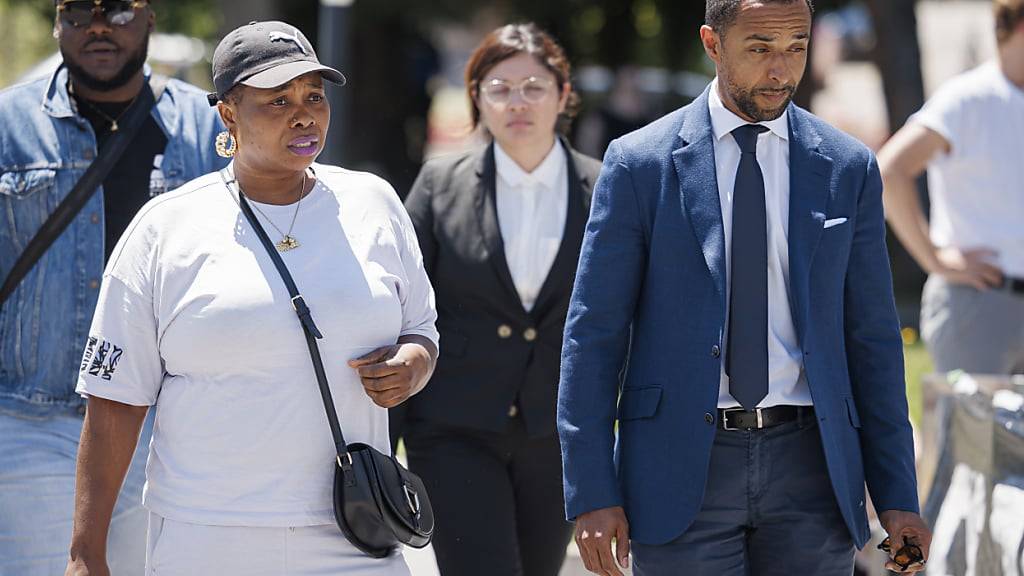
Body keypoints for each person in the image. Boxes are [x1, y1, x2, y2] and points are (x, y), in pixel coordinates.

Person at [557, 1, 933, 575]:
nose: (780, 69)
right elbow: (594, 337)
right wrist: (591, 491)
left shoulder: (848, 167)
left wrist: (898, 495)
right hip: (679, 470)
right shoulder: (639, 165)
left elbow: (874, 340)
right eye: (759, 48)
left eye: (796, 47)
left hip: (813, 472)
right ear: (712, 43)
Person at [64, 21, 438, 576]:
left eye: (314, 95)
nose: (303, 114)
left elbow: (423, 329)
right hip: (207, 536)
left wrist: (413, 364)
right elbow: (115, 399)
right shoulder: (166, 228)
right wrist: (85, 551)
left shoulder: (375, 203)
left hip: (355, 531)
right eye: (277, 100)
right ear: (228, 114)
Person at [0, 1, 225, 573]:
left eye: (118, 10)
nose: (98, 26)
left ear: (151, 18)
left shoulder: (204, 127)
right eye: (78, 11)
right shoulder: (9, 125)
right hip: (34, 418)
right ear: (57, 23)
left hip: (163, 425)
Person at [398, 22, 601, 576]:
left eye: (534, 86)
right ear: (476, 99)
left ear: (562, 95)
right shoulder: (440, 185)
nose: (518, 102)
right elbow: (402, 304)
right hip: (454, 429)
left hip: (558, 434)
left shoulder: (605, 187)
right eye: (499, 88)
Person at [877, 0, 1024, 375]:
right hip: (979, 307)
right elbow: (890, 170)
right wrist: (935, 259)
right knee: (967, 436)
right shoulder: (968, 99)